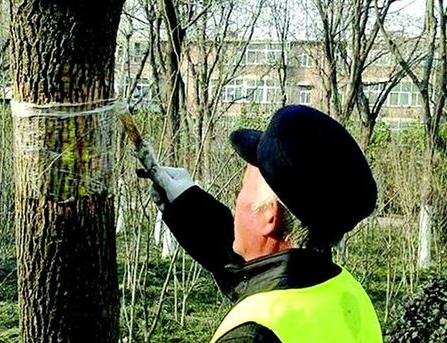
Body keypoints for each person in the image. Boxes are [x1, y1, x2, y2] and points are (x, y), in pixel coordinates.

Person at [137, 105, 383, 342]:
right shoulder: (347, 294)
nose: (236, 198)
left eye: (241, 189)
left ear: (270, 216)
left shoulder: (252, 334)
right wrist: (186, 204)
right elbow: (256, 273)